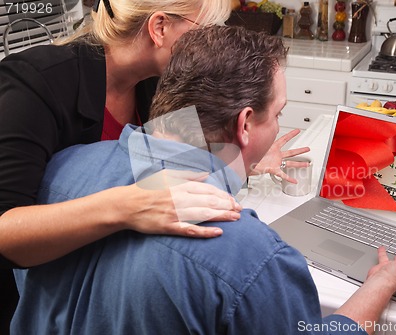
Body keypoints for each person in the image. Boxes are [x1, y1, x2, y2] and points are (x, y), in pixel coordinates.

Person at [12, 25, 396, 335]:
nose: (278, 124)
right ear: (244, 124)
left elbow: (174, 137)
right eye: (277, 114)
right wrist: (382, 283)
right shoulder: (251, 257)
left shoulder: (62, 169)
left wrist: (241, 163)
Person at [0, 0, 308, 331]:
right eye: (205, 30)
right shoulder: (36, 84)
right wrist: (128, 205)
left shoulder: (158, 82)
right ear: (159, 27)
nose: (213, 42)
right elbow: (6, 231)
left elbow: (188, 154)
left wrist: (245, 156)